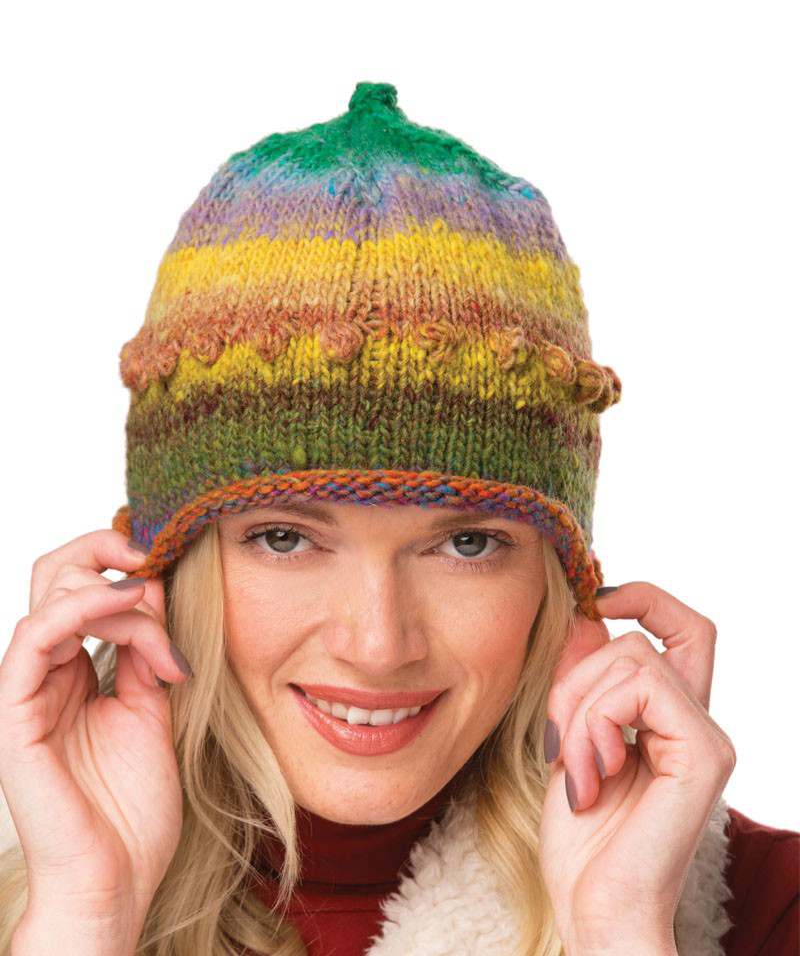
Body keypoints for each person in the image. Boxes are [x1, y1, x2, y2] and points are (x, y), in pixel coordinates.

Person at [0, 81, 796, 956]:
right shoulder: (51, 901)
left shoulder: (767, 910)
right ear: (165, 568)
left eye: (466, 543)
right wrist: (83, 913)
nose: (378, 647)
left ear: (561, 582)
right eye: (284, 538)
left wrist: (620, 930)